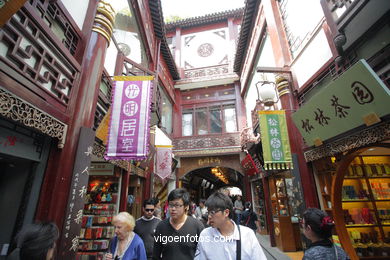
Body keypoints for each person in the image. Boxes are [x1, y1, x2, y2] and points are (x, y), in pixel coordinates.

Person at [195, 192, 267, 260]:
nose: (209, 216)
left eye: (212, 212)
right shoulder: (205, 235)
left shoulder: (247, 235)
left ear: (226, 212)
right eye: (208, 212)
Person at [153, 188, 204, 260]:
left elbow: (203, 254)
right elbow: (156, 255)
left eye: (177, 205)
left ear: (186, 207)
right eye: (170, 205)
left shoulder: (197, 226)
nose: (173, 209)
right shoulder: (161, 226)